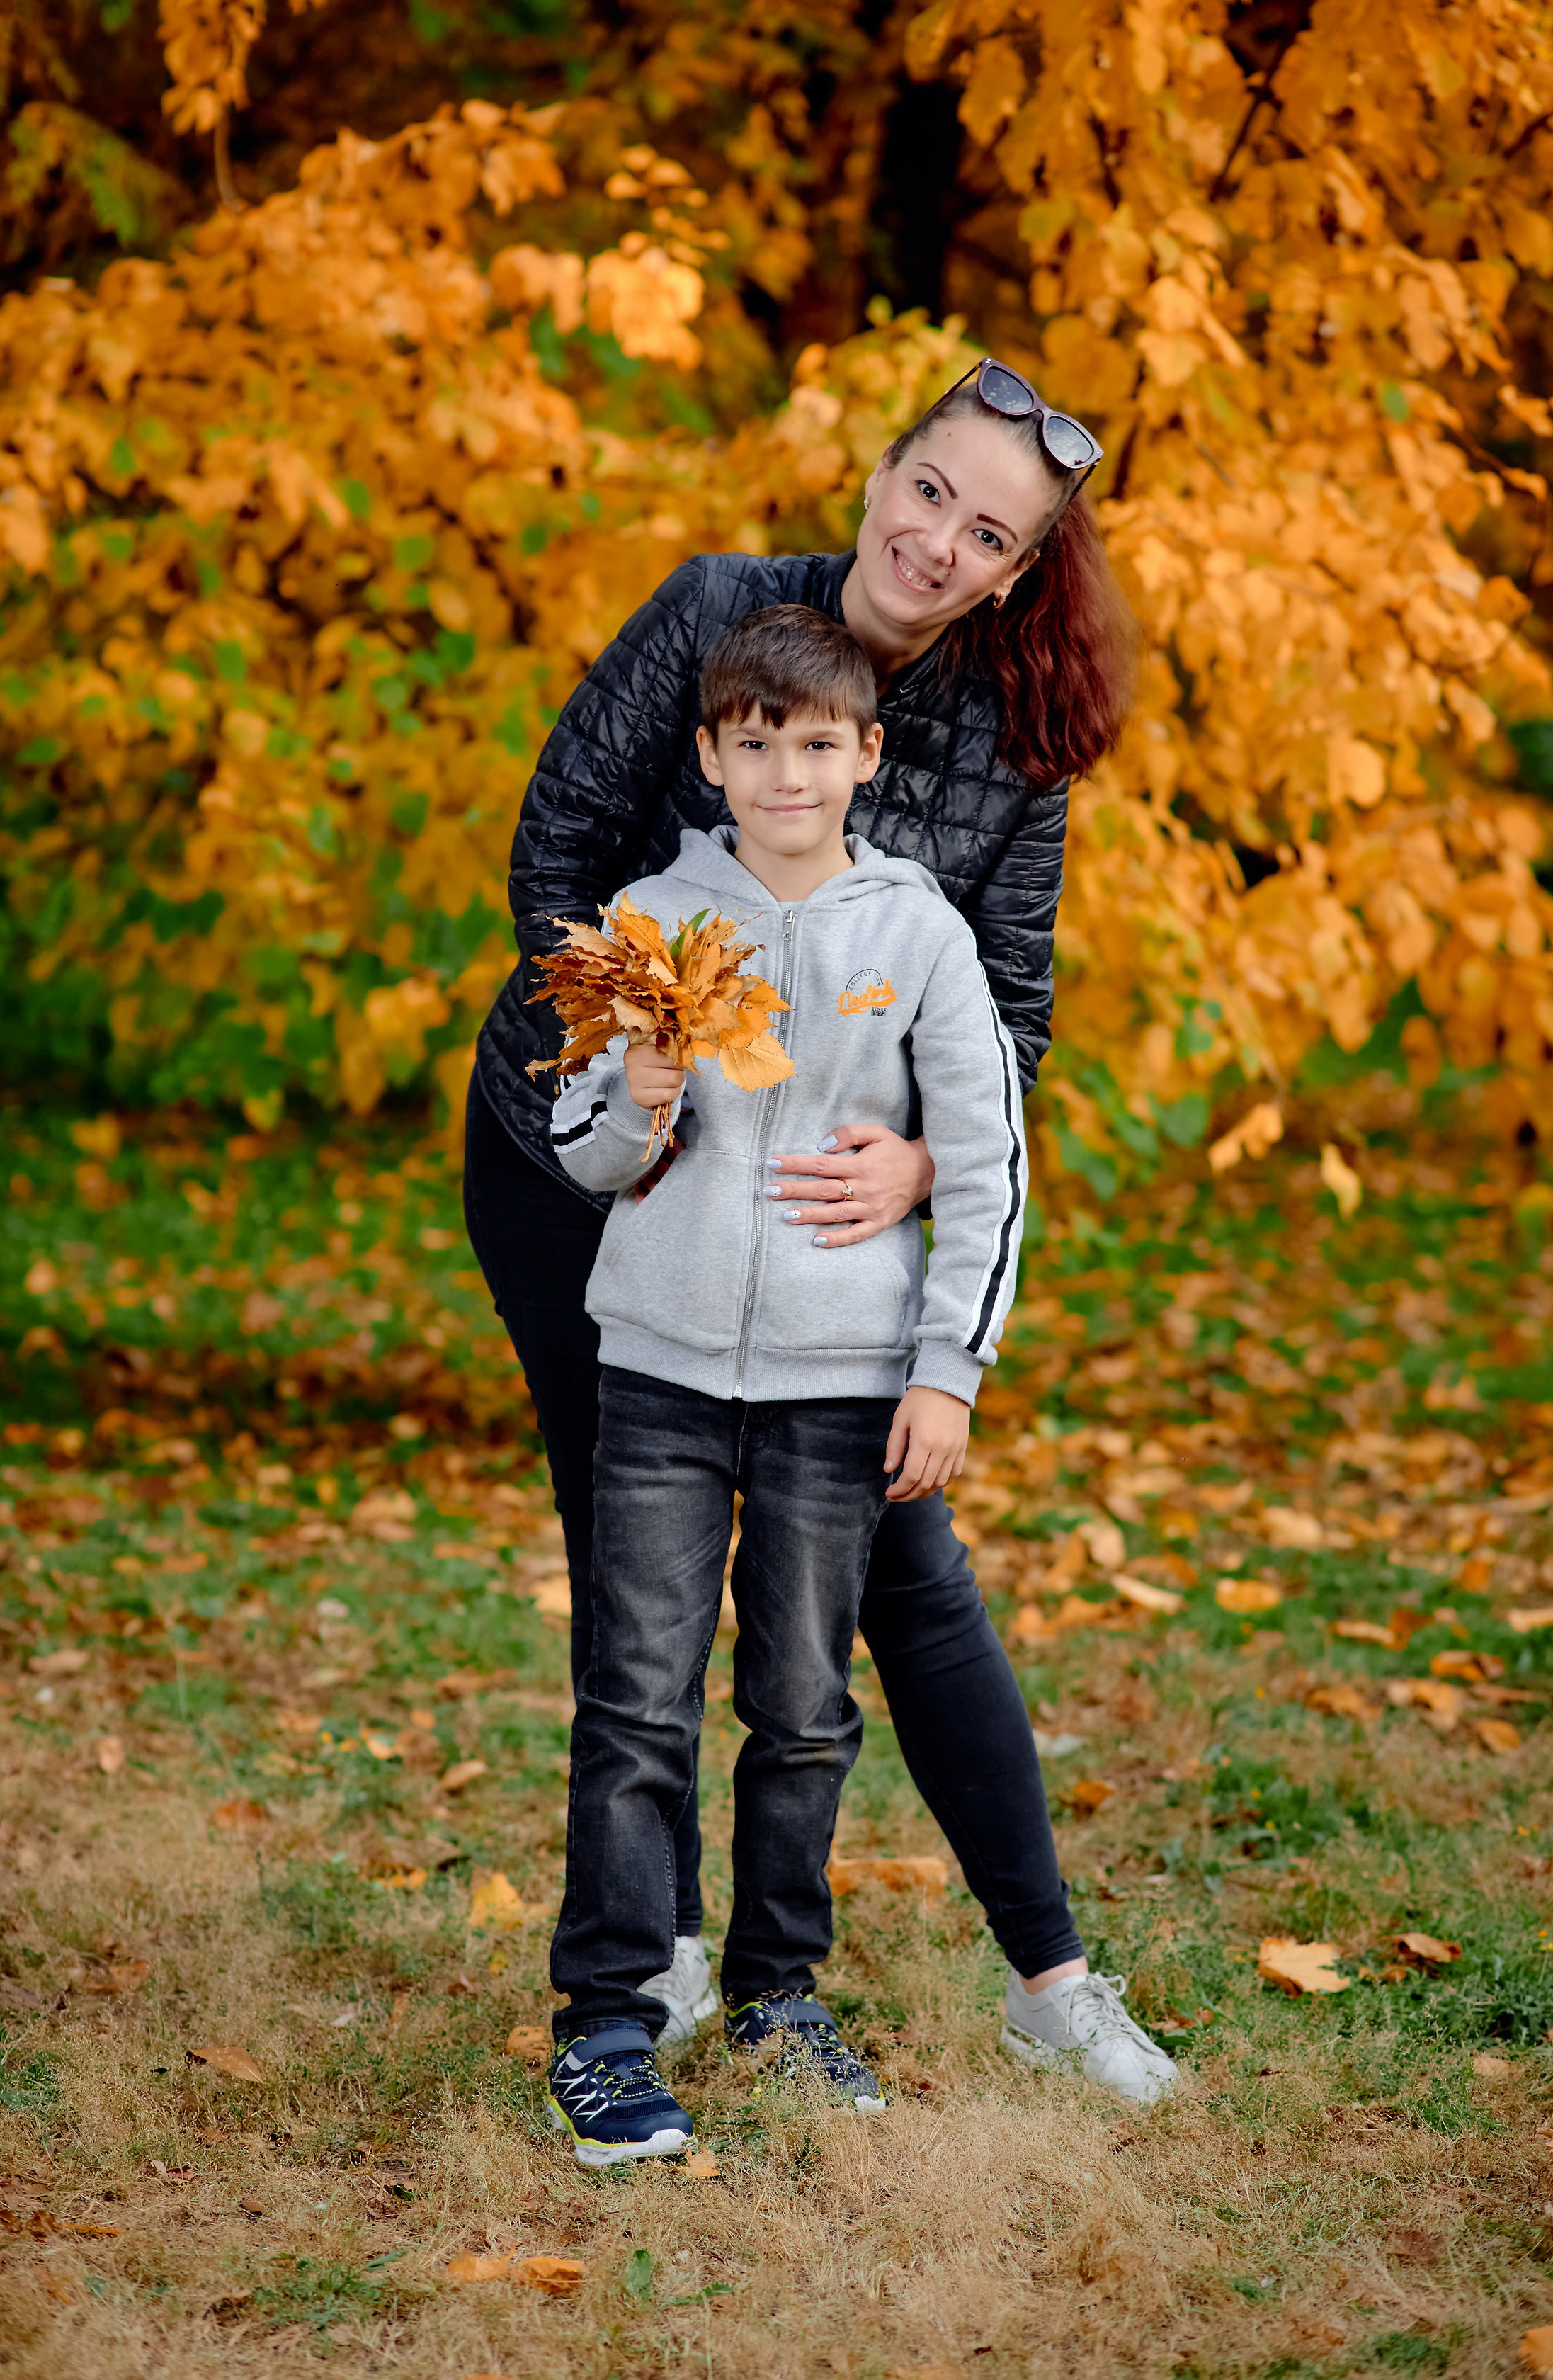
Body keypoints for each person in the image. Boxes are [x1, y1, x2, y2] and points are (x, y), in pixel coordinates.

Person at [466, 357, 1177, 2104]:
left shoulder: (1013, 749)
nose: (938, 542)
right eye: (930, 491)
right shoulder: (721, 616)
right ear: (885, 471)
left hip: (831, 1232)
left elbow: (1006, 1025)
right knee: (633, 1567)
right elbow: (554, 846)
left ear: (1017, 574)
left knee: (899, 1575)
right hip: (597, 1163)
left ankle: (1049, 1974)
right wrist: (652, 1050)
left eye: (987, 532)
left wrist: (927, 1171)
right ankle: (667, 1953)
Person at [545, 604, 1029, 2163]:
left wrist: (947, 1372)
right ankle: (611, 2021)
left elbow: (989, 1154)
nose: (784, 774)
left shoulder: (919, 935)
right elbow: (578, 1153)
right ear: (710, 756)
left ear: (865, 756)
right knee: (634, 1699)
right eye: (753, 746)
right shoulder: (647, 923)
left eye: (815, 745)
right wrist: (641, 1099)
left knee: (806, 1709)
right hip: (665, 1378)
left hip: (840, 1383)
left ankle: (778, 1994)